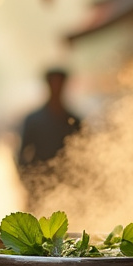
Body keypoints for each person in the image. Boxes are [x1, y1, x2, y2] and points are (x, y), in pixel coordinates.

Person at [17, 67, 82, 209]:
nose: (57, 88)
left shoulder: (74, 121)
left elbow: (82, 155)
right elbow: (22, 154)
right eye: (53, 83)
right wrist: (28, 181)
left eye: (60, 83)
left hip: (67, 185)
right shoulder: (33, 120)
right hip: (39, 184)